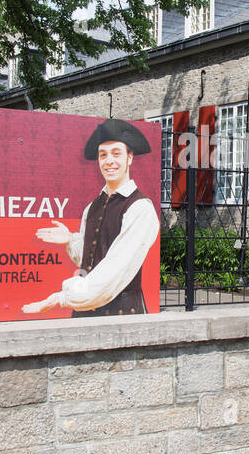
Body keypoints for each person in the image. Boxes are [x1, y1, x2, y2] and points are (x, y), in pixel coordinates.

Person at [22, 118, 159, 317]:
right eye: (103, 155)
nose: (109, 161)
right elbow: (87, 260)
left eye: (116, 153)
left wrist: (59, 299)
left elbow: (115, 268)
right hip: (85, 311)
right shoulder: (93, 206)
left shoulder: (140, 208)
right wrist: (70, 239)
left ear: (130, 158)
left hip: (121, 315)